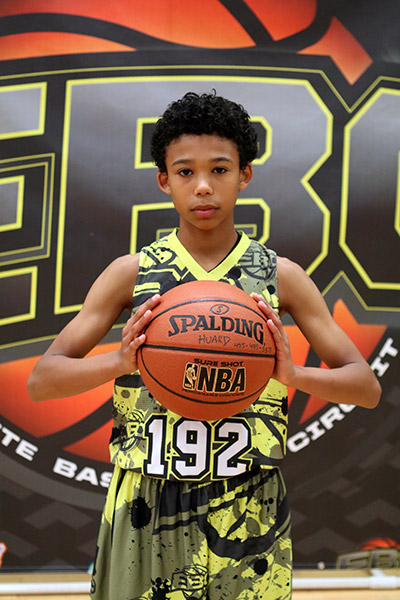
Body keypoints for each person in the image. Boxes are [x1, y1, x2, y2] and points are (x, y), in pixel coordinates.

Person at [28, 92, 381, 600]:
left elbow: (366, 387)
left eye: (219, 169)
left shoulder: (280, 277)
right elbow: (42, 381)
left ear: (244, 175)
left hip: (247, 505)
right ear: (164, 180)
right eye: (185, 171)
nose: (203, 186)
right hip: (146, 500)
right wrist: (120, 360)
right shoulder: (132, 274)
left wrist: (295, 375)